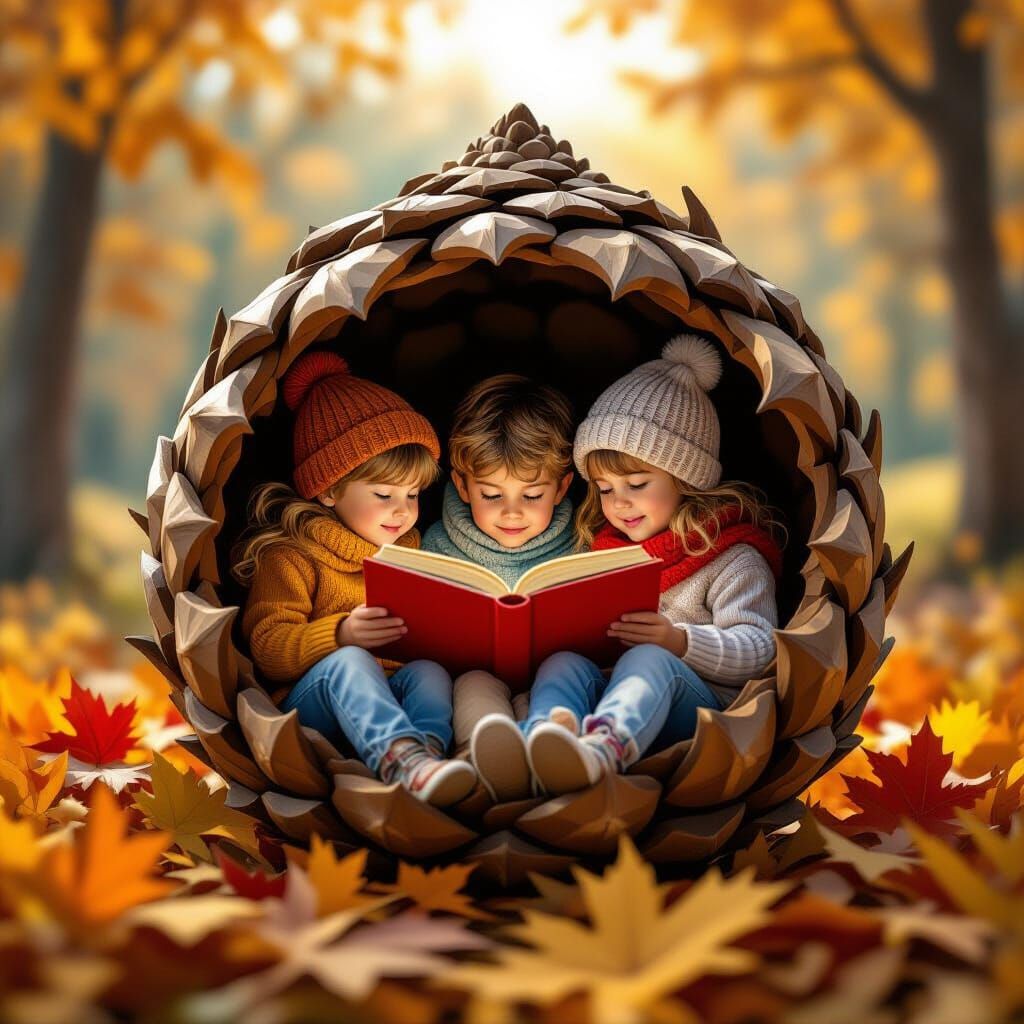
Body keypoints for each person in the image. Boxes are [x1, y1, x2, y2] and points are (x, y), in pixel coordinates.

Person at [524, 334, 787, 794]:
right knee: (563, 663)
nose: (619, 503)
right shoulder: (606, 553)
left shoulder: (731, 557)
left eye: (637, 483)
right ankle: (544, 744)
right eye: (604, 489)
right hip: (611, 693)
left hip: (699, 715)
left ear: (684, 477)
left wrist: (679, 641)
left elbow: (760, 649)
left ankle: (600, 752)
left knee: (650, 657)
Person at [234, 351, 476, 806]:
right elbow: (267, 648)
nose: (402, 511)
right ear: (328, 489)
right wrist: (341, 633)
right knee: (352, 662)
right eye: (383, 495)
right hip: (313, 704)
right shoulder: (291, 556)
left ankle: (427, 758)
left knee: (428, 672)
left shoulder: (412, 549)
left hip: (392, 697)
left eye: (412, 494)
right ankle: (402, 759)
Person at [421, 374, 579, 800]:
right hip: (472, 674)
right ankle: (483, 761)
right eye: (491, 495)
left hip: (554, 679)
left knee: (547, 695)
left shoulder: (584, 543)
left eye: (531, 496)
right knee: (472, 688)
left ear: (562, 487)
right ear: (462, 486)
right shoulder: (434, 545)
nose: (512, 514)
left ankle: (545, 758)